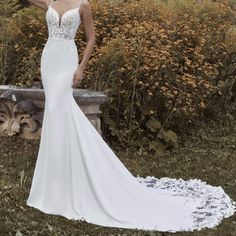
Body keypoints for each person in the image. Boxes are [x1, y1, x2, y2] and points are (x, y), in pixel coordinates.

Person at [25, 0, 236, 232]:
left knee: (60, 111)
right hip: (49, 59)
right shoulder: (50, 1)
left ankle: (64, 184)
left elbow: (92, 37)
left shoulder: (83, 4)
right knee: (56, 115)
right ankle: (53, 185)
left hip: (67, 60)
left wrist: (81, 68)